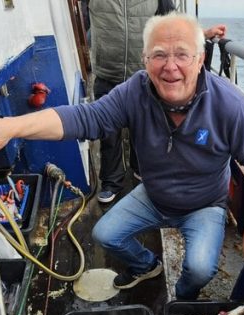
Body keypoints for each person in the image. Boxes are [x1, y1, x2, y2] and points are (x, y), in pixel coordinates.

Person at [0, 12, 244, 300]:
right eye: (159, 55)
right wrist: (8, 126)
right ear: (144, 59)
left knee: (198, 269)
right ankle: (146, 266)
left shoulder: (228, 105)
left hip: (204, 204)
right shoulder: (135, 91)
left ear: (200, 60)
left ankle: (180, 299)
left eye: (182, 54)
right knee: (104, 234)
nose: (170, 67)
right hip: (154, 196)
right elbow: (83, 118)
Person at [89, 0, 227, 203]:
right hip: (107, 72)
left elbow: (174, 21)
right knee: (108, 132)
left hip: (143, 72)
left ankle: (140, 171)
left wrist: (202, 35)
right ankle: (111, 181)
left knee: (142, 127)